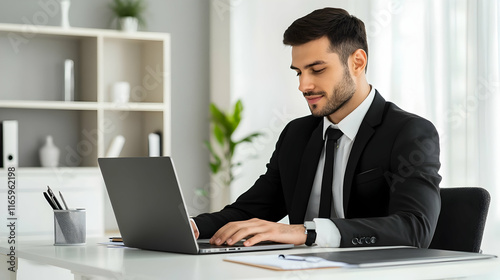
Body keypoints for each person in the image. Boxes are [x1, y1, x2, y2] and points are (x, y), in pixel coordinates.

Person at [192, 7, 441, 248]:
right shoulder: (296, 135)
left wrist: (307, 232)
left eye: (317, 69)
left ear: (357, 62)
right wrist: (192, 226)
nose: (304, 86)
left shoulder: (409, 133)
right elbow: (250, 210)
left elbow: (414, 228)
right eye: (298, 72)